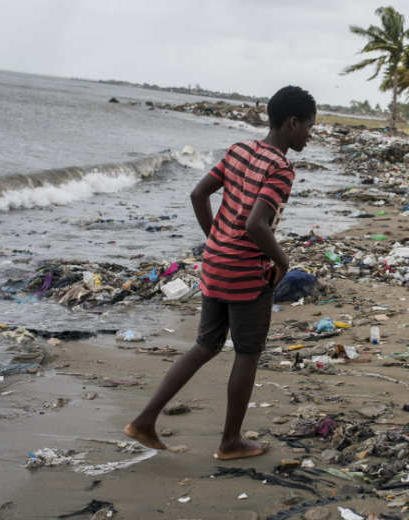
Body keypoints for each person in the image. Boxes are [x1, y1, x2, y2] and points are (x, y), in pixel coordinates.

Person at [124, 86, 316, 460]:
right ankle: (230, 442)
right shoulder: (280, 168)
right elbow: (257, 225)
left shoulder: (239, 149)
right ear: (292, 123)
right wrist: (282, 262)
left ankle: (145, 420)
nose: (310, 134)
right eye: (309, 126)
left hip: (214, 264)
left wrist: (215, 238)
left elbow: (199, 195)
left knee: (206, 344)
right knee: (247, 353)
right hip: (247, 273)